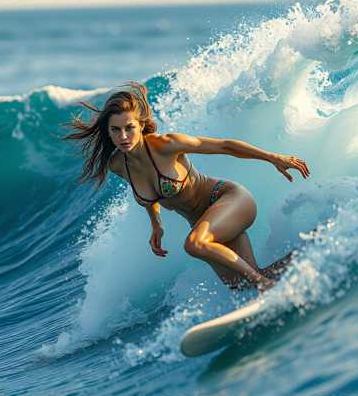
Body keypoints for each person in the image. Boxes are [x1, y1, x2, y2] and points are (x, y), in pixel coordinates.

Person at [63, 82, 310, 293]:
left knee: (195, 245)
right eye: (115, 130)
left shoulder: (166, 145)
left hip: (229, 200)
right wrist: (156, 224)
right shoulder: (118, 164)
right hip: (204, 221)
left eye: (129, 128)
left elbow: (224, 146)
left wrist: (273, 158)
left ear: (140, 125)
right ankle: (309, 251)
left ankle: (263, 285)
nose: (123, 136)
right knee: (239, 284)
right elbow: (146, 196)